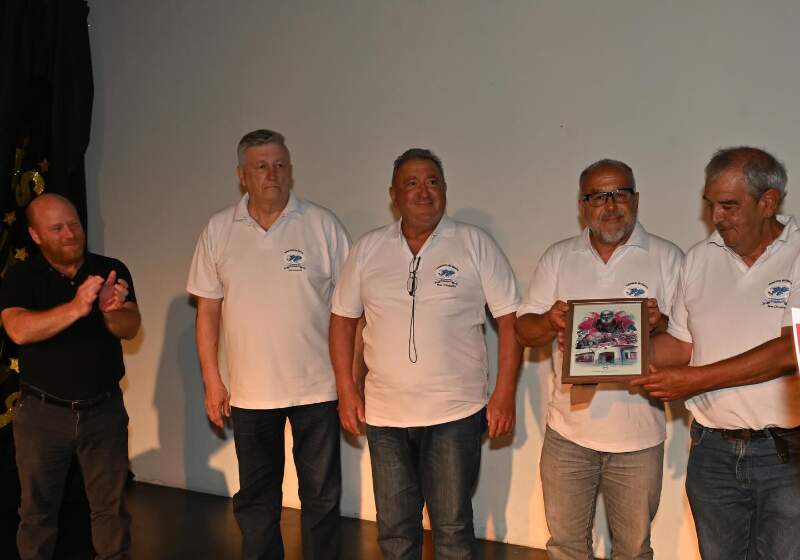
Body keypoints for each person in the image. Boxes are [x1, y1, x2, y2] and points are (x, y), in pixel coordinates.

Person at [329, 148, 522, 559]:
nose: (424, 191)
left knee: (452, 529)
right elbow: (343, 321)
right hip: (385, 416)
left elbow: (511, 321)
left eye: (433, 182)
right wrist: (346, 390)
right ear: (393, 194)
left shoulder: (474, 243)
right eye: (412, 183)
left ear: (445, 189)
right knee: (395, 531)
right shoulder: (368, 249)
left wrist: (504, 394)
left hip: (455, 413)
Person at [187, 129, 350, 560]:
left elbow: (352, 312)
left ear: (290, 171)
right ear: (242, 175)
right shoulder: (218, 230)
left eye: (279, 165)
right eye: (261, 166)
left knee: (321, 498)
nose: (272, 174)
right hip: (249, 394)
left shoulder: (323, 226)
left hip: (318, 390)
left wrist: (352, 379)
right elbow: (207, 312)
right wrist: (212, 381)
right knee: (257, 501)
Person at [631, 147, 800, 559]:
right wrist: (607, 348)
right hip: (712, 452)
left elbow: (790, 349)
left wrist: (695, 380)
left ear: (768, 202)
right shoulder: (699, 259)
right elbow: (682, 346)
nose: (716, 217)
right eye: (710, 205)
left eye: (729, 205)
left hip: (786, 455)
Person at [515, 159, 683, 560]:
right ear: (582, 205)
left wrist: (658, 324)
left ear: (636, 199)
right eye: (598, 196)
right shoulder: (558, 257)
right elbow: (524, 330)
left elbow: (688, 340)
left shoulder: (667, 257)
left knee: (634, 551)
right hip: (568, 433)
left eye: (620, 193)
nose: (610, 205)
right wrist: (549, 320)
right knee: (565, 548)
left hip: (639, 437)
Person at [1, 193, 140, 560]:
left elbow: (130, 327)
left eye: (74, 224)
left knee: (111, 510)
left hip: (104, 411)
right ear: (35, 235)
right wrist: (77, 307)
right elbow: (18, 330)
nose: (70, 234)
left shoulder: (110, 269)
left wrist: (111, 311)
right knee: (37, 515)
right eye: (57, 228)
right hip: (42, 415)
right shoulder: (22, 275)